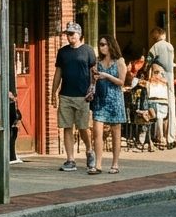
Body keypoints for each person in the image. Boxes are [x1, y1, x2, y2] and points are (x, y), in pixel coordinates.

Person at [50, 22, 97, 172]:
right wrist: (53, 92)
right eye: (67, 34)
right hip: (65, 94)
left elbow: (93, 72)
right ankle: (70, 159)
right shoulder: (62, 52)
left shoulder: (88, 50)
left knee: (83, 127)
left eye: (72, 34)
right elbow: (58, 73)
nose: (69, 37)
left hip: (83, 96)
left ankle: (89, 150)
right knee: (66, 127)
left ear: (79, 34)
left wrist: (92, 88)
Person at [90, 35, 127, 174]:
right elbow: (93, 79)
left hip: (115, 99)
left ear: (111, 45)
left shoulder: (119, 61)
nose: (101, 47)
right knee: (97, 132)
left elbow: (122, 82)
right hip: (100, 98)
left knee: (115, 132)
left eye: (104, 44)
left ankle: (115, 164)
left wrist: (106, 76)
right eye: (100, 44)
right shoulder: (97, 62)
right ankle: (98, 164)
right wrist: (94, 77)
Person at [146, 27, 176, 148]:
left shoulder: (156, 47)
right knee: (170, 107)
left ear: (158, 34)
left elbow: (148, 61)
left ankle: (159, 136)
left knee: (158, 106)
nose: (152, 37)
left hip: (159, 79)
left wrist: (145, 69)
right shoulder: (170, 47)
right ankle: (171, 136)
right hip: (170, 77)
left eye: (153, 35)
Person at [145, 63, 171, 145]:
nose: (158, 75)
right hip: (160, 101)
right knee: (161, 116)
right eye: (156, 72)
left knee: (160, 117)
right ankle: (161, 136)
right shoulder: (163, 81)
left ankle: (160, 136)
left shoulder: (151, 81)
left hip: (154, 101)